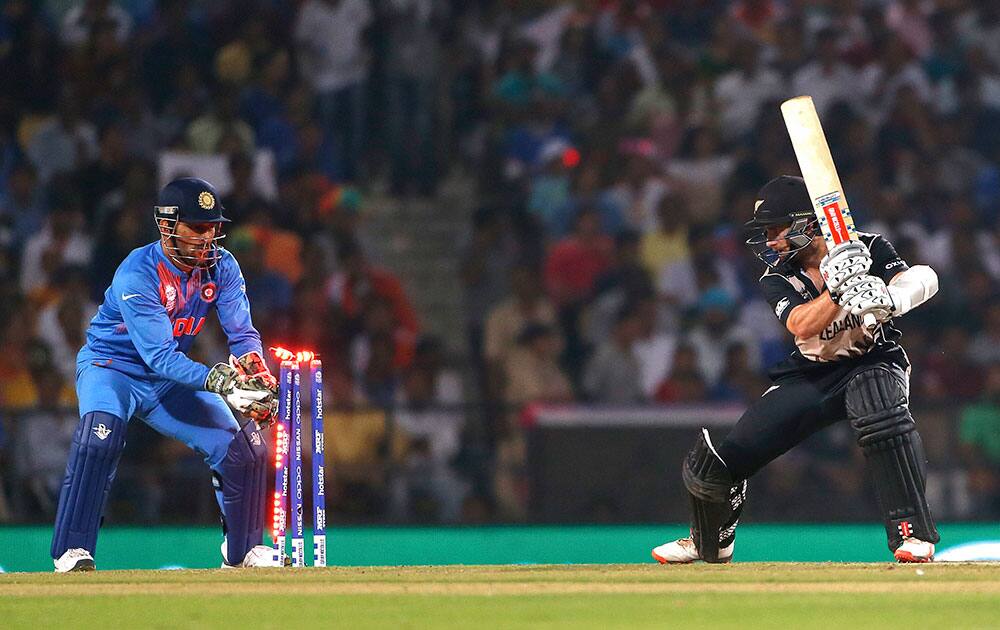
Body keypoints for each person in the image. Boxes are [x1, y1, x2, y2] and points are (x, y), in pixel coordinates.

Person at [652, 175, 941, 564]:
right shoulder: (777, 277)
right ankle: (711, 540)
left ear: (806, 222)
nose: (770, 241)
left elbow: (925, 278)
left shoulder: (867, 247)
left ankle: (914, 535)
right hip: (812, 373)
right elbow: (802, 325)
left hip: (874, 359)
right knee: (718, 463)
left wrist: (891, 297)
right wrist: (838, 290)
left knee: (882, 416)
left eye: (776, 230)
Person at [51, 177, 281, 572]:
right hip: (113, 369)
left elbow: (242, 334)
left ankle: (243, 552)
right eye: (196, 228)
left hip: (170, 381)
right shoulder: (137, 273)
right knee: (99, 441)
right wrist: (223, 382)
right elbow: (158, 355)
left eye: (212, 228)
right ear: (167, 225)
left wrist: (255, 373)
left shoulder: (222, 266)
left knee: (247, 448)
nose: (206, 238)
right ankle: (72, 551)